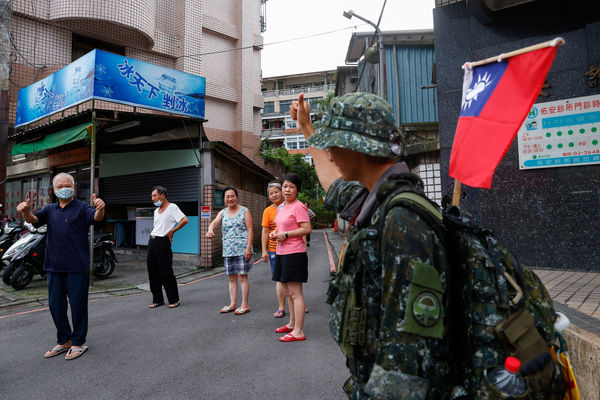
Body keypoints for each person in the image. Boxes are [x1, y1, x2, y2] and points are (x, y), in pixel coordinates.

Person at [290, 92, 452, 397]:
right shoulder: (375, 197)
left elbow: (410, 356)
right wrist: (307, 130)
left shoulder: (402, 222)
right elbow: (332, 183)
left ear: (358, 147)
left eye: (335, 143)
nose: (331, 152)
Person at [17, 172, 105, 360]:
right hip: (54, 267)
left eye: (67, 185)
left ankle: (78, 342)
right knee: (55, 306)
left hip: (77, 267)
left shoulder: (82, 208)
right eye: (59, 186)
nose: (64, 189)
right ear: (54, 190)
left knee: (77, 306)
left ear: (73, 188)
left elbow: (96, 217)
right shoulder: (50, 209)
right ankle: (64, 340)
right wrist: (25, 210)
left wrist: (100, 208)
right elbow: (33, 220)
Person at [270, 173, 311, 342]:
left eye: (291, 187)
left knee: (295, 293)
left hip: (295, 253)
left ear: (297, 190)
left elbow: (307, 228)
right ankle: (292, 324)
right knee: (287, 292)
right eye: (285, 186)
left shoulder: (299, 206)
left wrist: (286, 234)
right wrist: (276, 233)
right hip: (281, 252)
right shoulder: (281, 207)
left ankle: (299, 331)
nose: (287, 190)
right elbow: (281, 227)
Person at [206, 186, 253, 315]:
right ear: (224, 199)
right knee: (231, 279)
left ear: (237, 197)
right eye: (227, 197)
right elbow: (214, 223)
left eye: (232, 196)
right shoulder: (223, 212)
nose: (230, 199)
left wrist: (248, 248)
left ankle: (245, 304)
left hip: (242, 250)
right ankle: (233, 303)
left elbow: (250, 229)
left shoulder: (244, 211)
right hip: (228, 250)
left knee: (242, 277)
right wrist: (210, 230)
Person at [147, 186, 188, 309]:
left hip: (163, 242)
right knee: (152, 272)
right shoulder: (156, 211)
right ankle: (157, 300)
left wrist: (172, 231)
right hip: (152, 240)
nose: (153, 198)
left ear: (162, 196)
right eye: (152, 196)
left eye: (155, 196)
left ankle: (174, 299)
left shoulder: (172, 207)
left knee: (166, 272)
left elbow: (184, 220)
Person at [261, 182, 287, 318]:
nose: (274, 195)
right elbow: (265, 231)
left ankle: (298, 304)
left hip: (290, 247)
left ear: (282, 191)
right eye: (271, 193)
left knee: (292, 278)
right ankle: (281, 307)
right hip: (273, 249)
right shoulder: (268, 211)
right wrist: (264, 251)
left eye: (276, 192)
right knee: (279, 279)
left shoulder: (290, 206)